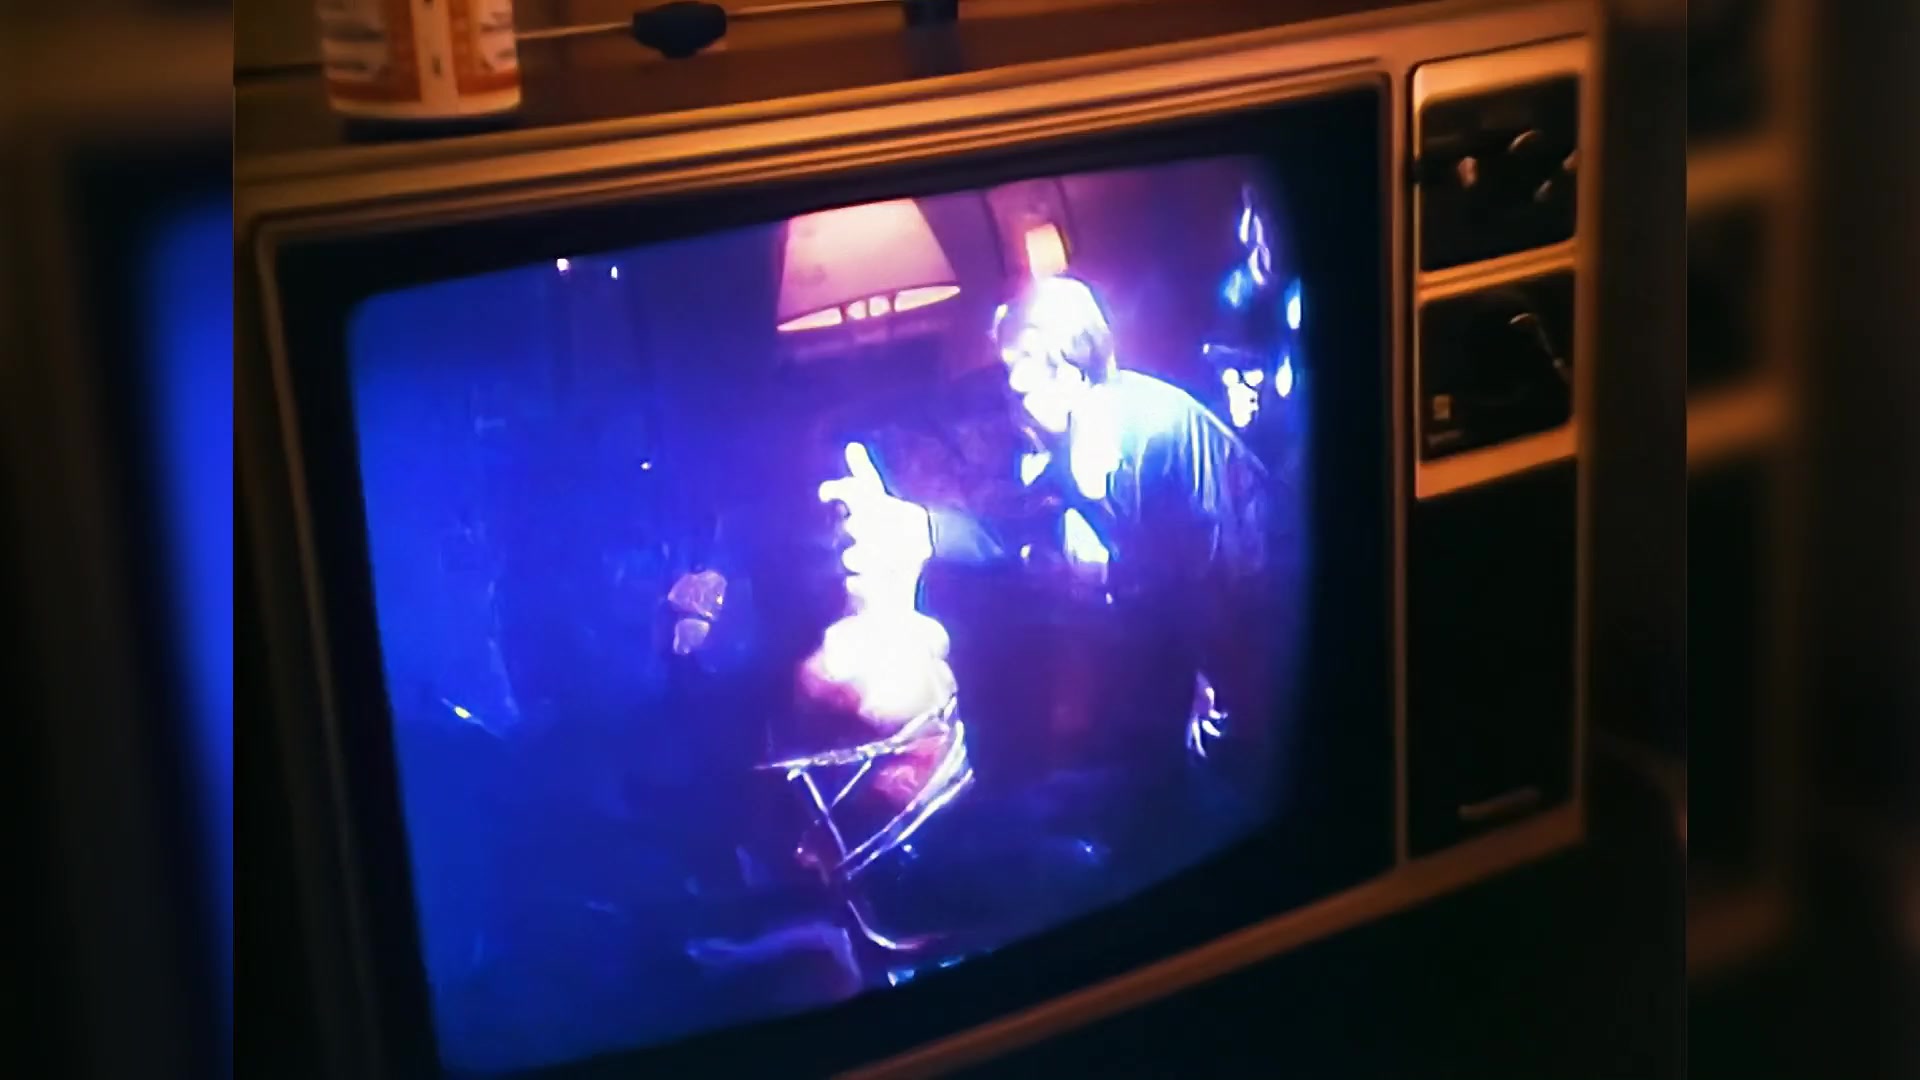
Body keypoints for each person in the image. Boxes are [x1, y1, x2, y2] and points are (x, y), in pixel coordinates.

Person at [811, 275, 1277, 878]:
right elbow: (1015, 537)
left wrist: (1125, 600)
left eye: (1027, 364)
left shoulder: (1159, 430)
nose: (1013, 385)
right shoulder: (1061, 443)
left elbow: (1204, 583)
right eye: (1010, 365)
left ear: (1076, 365)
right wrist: (920, 528)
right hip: (1181, 665)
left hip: (1255, 641)